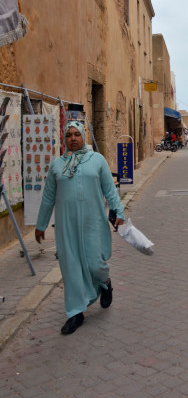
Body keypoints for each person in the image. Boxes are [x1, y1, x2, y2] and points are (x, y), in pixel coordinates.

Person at [35, 120, 125, 336]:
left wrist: (118, 212)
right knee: (71, 268)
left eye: (77, 134)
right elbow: (48, 198)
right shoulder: (57, 164)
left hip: (93, 222)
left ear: (83, 136)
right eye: (69, 135)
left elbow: (109, 190)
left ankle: (104, 282)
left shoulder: (97, 160)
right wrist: (41, 225)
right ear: (64, 139)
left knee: (95, 263)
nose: (73, 138)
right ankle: (75, 313)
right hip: (66, 226)